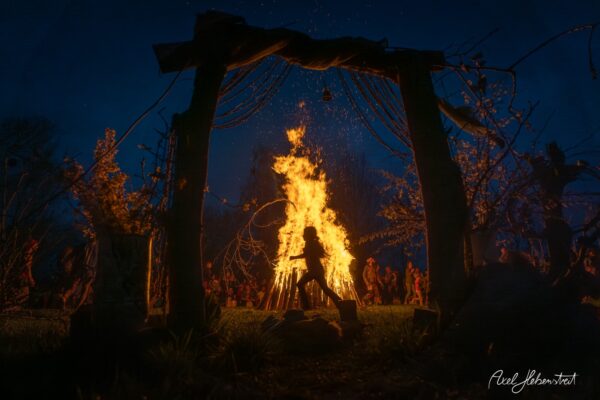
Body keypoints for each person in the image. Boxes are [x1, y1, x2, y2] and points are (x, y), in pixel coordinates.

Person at [290, 226, 342, 310]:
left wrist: (294, 257)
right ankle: (341, 303)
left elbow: (308, 254)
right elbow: (308, 254)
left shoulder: (311, 243)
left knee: (300, 284)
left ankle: (306, 307)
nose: (303, 235)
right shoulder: (311, 242)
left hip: (315, 270)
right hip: (316, 270)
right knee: (325, 289)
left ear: (308, 235)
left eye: (304, 233)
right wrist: (295, 257)